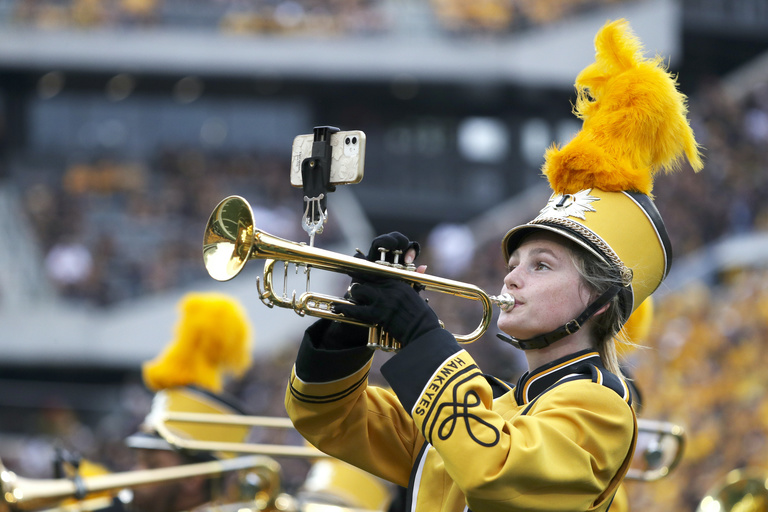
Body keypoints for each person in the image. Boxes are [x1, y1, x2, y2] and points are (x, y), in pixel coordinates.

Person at [284, 18, 702, 512]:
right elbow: (326, 417)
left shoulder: (603, 407)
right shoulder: (495, 405)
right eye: (515, 261)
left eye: (542, 266)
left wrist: (421, 335)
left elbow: (497, 468)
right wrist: (348, 329)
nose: (512, 276)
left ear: (597, 301)